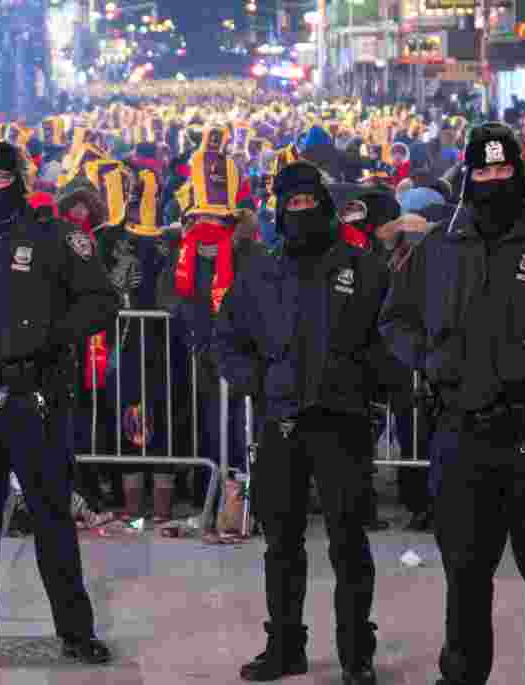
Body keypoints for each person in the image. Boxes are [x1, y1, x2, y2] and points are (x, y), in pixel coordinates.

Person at [379, 123, 525, 685]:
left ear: (518, 171)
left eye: (502, 170)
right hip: (462, 437)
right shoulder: (438, 247)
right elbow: (395, 319)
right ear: (468, 175)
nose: (492, 181)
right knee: (464, 576)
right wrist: (433, 360)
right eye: (482, 172)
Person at [0, 141, 117, 666]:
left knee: (52, 519)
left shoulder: (56, 237)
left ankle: (76, 632)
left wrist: (53, 335)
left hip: (37, 398)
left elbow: (102, 301)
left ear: (20, 181)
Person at [215, 161, 390, 684]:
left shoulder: (363, 269)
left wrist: (370, 387)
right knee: (281, 546)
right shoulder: (262, 271)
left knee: (348, 543)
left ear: (325, 203)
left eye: (309, 201)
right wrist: (260, 382)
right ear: (279, 207)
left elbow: (391, 337)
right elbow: (228, 341)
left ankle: (357, 653)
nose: (301, 211)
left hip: (343, 424)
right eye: (291, 203)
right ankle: (285, 645)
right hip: (282, 425)